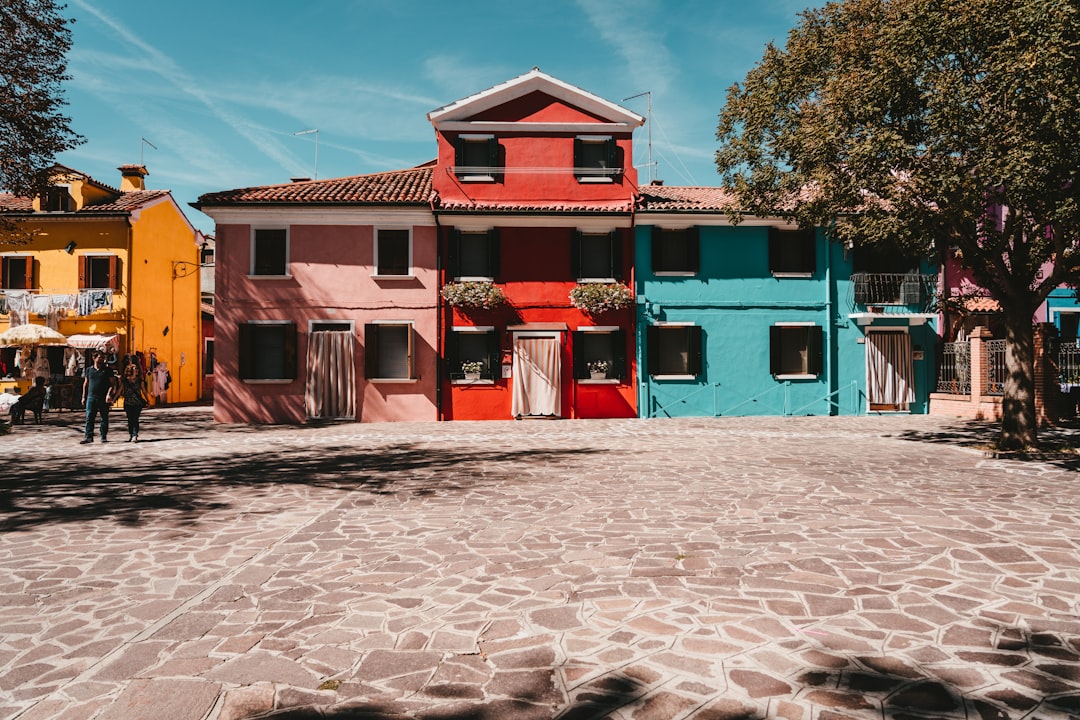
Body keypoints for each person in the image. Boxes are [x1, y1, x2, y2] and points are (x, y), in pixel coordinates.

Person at [81, 351, 117, 444]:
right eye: (99, 357)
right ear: (94, 358)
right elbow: (86, 383)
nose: (101, 359)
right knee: (89, 417)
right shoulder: (89, 370)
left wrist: (109, 394)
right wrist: (83, 396)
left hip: (103, 397)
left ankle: (103, 435)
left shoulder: (107, 370)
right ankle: (88, 436)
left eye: (102, 357)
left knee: (104, 417)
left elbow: (113, 384)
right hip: (91, 397)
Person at [120, 361, 149, 442]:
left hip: (137, 403)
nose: (137, 370)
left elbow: (144, 391)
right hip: (128, 402)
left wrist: (148, 400)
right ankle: (131, 433)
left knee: (135, 418)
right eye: (135, 369)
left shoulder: (140, 381)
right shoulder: (125, 381)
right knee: (130, 419)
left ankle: (135, 434)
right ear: (130, 370)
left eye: (137, 369)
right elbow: (120, 390)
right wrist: (114, 399)